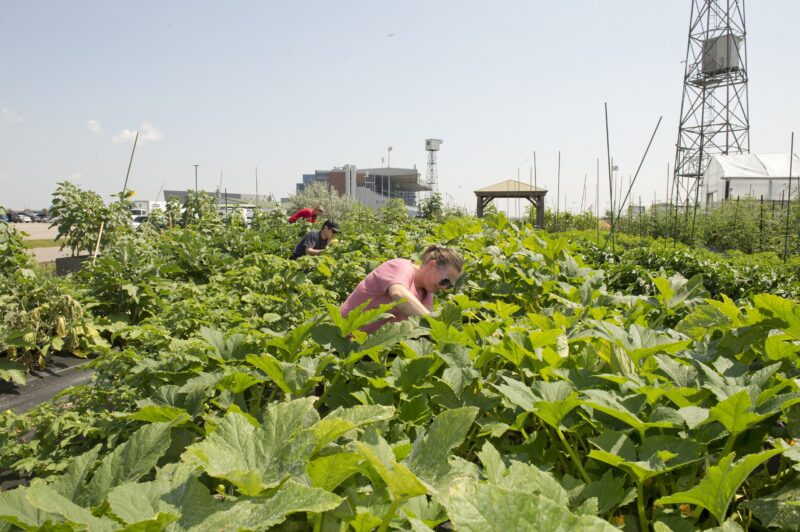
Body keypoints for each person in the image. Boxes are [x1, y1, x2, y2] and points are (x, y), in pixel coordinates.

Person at [340, 245, 464, 334]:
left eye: (449, 285)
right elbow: (398, 293)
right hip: (343, 335)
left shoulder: (426, 291)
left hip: (368, 346)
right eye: (445, 280)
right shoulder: (400, 266)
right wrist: (436, 326)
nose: (444, 288)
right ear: (432, 265)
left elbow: (426, 326)